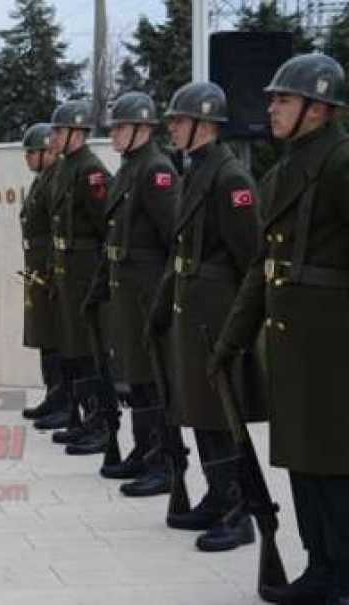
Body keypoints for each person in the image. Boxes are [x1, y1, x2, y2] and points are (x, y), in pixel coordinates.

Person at [212, 54, 349, 603]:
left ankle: (340, 575)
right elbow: (263, 267)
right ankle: (321, 567)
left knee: (335, 467)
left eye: (283, 99)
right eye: (272, 98)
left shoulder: (341, 163)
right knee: (303, 462)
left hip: (335, 346)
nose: (270, 107)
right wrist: (231, 340)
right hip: (295, 345)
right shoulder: (284, 170)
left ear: (318, 108)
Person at [147, 82, 262, 553]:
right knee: (200, 408)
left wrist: (237, 326)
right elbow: (180, 250)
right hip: (191, 307)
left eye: (178, 119)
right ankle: (217, 497)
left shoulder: (231, 178)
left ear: (205, 123)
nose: (171, 127)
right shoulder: (196, 171)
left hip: (216, 311)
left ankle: (241, 512)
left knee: (222, 411)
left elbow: (249, 257)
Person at [81, 92, 179, 491]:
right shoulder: (129, 169)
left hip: (148, 289)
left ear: (142, 128)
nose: (114, 133)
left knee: (152, 376)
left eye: (120, 127)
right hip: (126, 287)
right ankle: (144, 449)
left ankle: (163, 458)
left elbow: (174, 237)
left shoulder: (156, 171)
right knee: (136, 375)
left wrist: (163, 296)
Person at [43, 99, 116, 451]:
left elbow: (108, 227)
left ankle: (102, 422)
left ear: (76, 132)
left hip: (86, 272)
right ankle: (88, 418)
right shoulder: (66, 167)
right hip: (69, 273)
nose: (54, 137)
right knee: (75, 350)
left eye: (59, 131)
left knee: (91, 351)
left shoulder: (91, 171)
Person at [19, 123, 68, 422]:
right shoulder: (44, 180)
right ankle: (53, 395)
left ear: (48, 152)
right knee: (44, 334)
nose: (27, 158)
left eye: (31, 152)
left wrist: (50, 269)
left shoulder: (54, 181)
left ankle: (63, 400)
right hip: (37, 267)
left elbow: (57, 229)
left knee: (55, 336)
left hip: (49, 269)